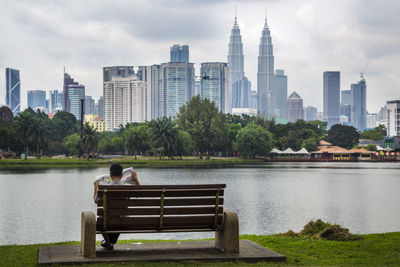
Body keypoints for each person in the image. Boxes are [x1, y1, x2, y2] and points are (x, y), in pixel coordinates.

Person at [93, 163, 140, 250]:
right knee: (118, 216)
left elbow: (96, 201)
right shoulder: (128, 187)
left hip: (107, 220)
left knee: (104, 220)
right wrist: (136, 179)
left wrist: (95, 187)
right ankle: (109, 242)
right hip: (123, 220)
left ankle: (108, 242)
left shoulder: (104, 188)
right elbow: (138, 194)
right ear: (122, 175)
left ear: (110, 175)